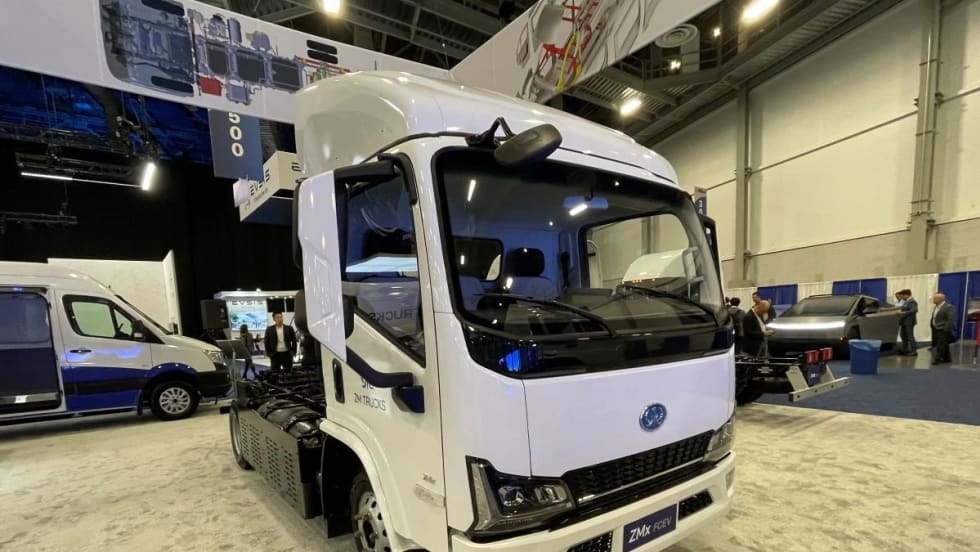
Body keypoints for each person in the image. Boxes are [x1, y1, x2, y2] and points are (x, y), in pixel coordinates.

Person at [930, 293, 955, 365]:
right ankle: (947, 358)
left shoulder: (948, 307)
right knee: (944, 344)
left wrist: (946, 328)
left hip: (943, 329)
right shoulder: (936, 307)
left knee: (940, 345)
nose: (933, 300)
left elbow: (951, 319)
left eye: (935, 298)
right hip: (936, 328)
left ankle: (938, 359)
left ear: (941, 299)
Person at [897, 289, 918, 356]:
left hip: (909, 322)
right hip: (904, 322)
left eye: (902, 296)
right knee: (903, 336)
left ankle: (914, 351)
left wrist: (903, 313)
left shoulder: (912, 301)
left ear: (906, 295)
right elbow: (902, 308)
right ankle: (904, 349)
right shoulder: (906, 302)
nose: (902, 298)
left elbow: (914, 310)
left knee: (910, 336)